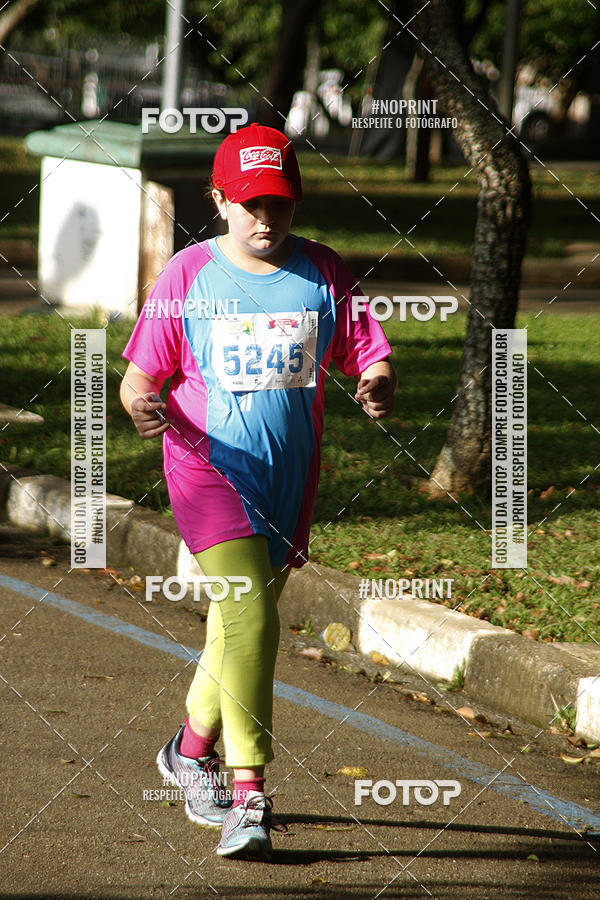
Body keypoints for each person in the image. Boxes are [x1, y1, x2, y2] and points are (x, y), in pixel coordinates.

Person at [120, 123, 396, 861]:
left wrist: (375, 382)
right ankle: (249, 794)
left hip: (287, 479)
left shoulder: (323, 273)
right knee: (247, 614)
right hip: (207, 468)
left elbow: (364, 350)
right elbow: (139, 377)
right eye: (249, 204)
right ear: (218, 200)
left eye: (279, 203)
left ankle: (187, 748)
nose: (265, 218)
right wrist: (140, 404)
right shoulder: (188, 275)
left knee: (241, 621)